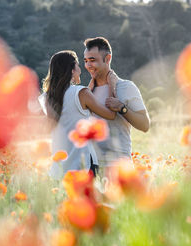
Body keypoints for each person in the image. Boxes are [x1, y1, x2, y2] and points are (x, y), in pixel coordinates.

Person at [40, 50, 117, 179]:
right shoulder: (81, 93)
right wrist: (112, 86)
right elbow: (110, 114)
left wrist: (88, 90)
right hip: (83, 165)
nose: (80, 70)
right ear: (71, 70)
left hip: (58, 170)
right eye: (78, 66)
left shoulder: (46, 98)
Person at [83, 37, 150, 167]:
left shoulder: (126, 87)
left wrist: (122, 108)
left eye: (92, 60)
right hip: (91, 167)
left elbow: (145, 125)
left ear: (107, 59)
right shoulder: (87, 92)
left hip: (118, 166)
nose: (88, 65)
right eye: (85, 61)